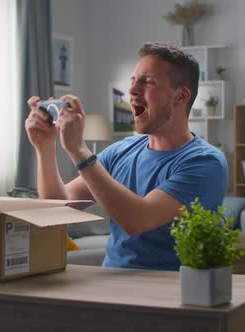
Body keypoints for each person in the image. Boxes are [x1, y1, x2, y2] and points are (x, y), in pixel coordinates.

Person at [24, 42, 228, 271]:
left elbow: (138, 220)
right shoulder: (122, 151)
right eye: (133, 80)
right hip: (111, 285)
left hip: (171, 294)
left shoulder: (205, 163)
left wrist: (78, 150)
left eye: (147, 81)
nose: (132, 90)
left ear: (181, 96)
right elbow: (58, 207)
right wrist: (45, 147)